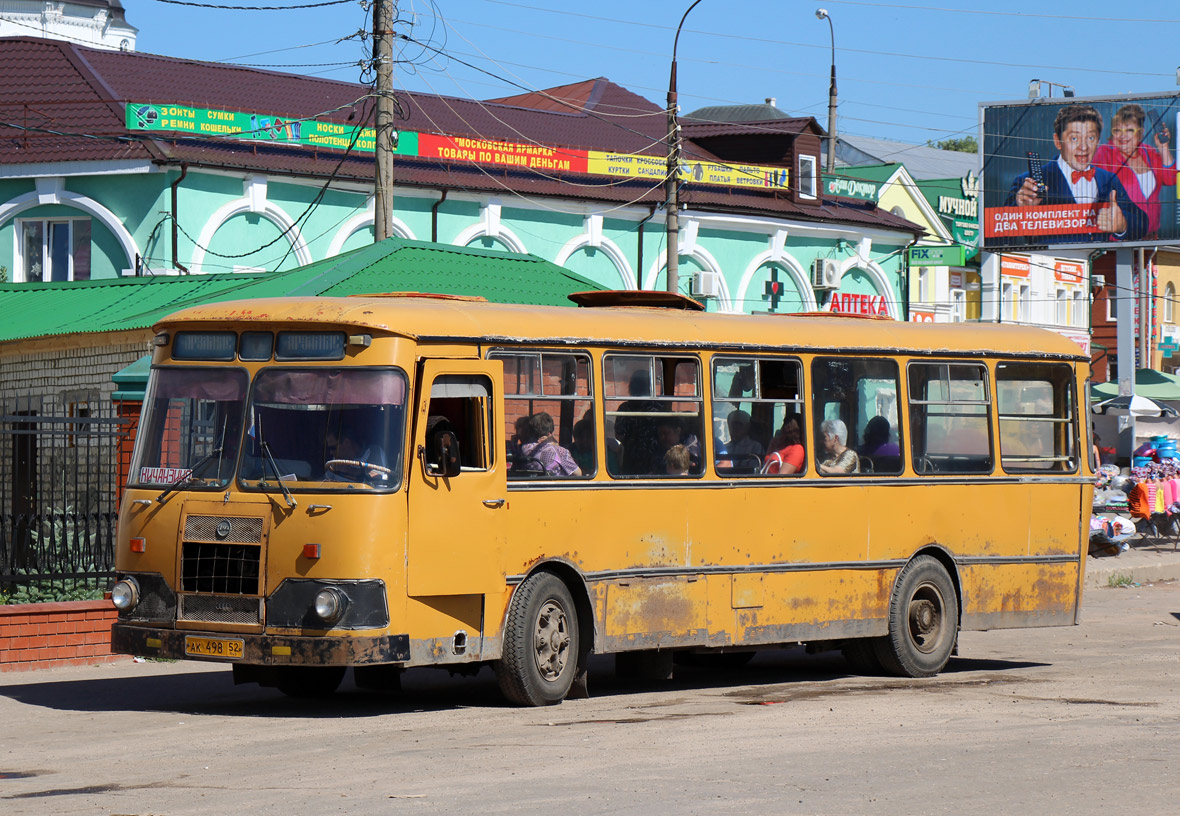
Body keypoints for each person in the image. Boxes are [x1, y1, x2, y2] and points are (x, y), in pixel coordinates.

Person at [1005, 104, 1147, 243]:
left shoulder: (1108, 179)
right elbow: (996, 237)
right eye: (1074, 138)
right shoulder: (1027, 183)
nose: (1083, 147)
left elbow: (1142, 223)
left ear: (1098, 140)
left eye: (1090, 138)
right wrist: (1020, 211)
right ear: (1058, 141)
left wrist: (1122, 224)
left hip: (1096, 264)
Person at [1093, 104, 1175, 238]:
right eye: (1117, 130)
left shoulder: (1148, 152)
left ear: (1141, 132)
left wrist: (1163, 148)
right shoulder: (1104, 154)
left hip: (1150, 239)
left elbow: (1171, 179)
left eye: (1129, 130)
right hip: (1118, 241)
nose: (1122, 136)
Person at [517, 412, 581, 477]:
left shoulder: (522, 448)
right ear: (550, 433)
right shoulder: (560, 451)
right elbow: (578, 474)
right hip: (555, 486)